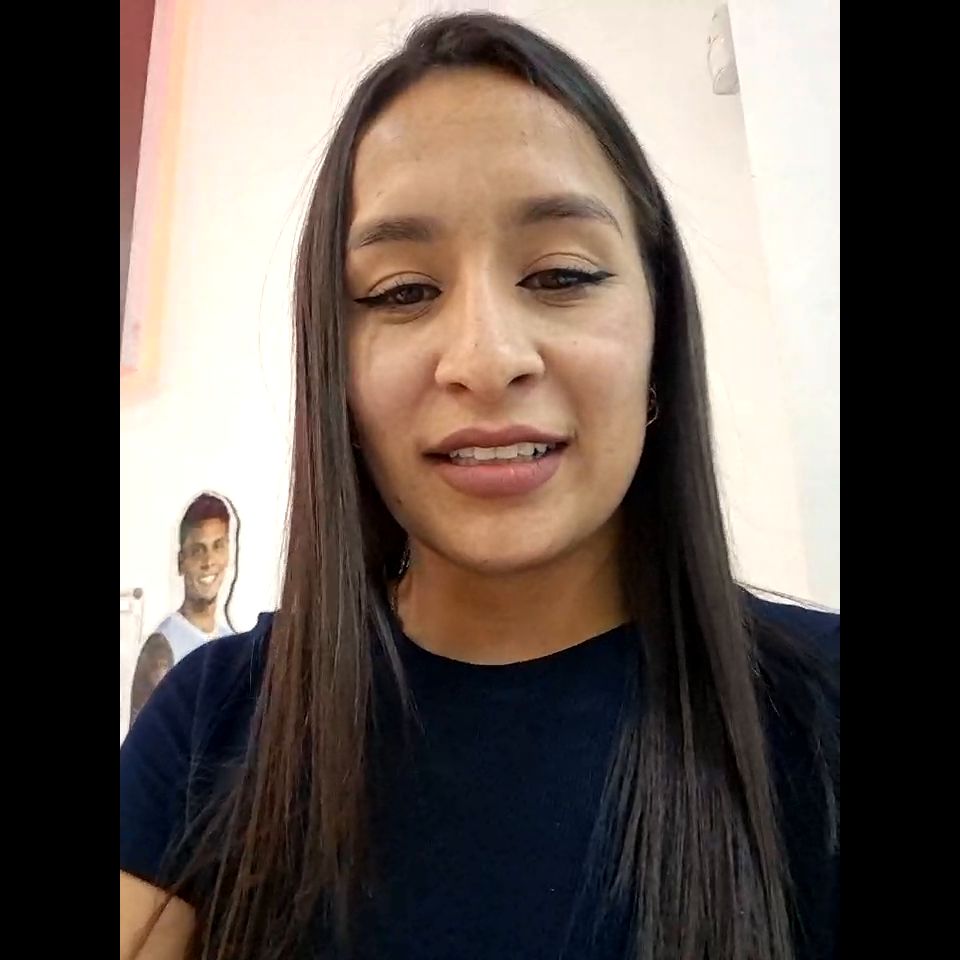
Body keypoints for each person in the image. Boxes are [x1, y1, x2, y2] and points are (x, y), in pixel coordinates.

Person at [120, 13, 839, 960]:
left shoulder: (819, 710)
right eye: (403, 292)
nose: (487, 358)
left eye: (561, 275)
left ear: (659, 331)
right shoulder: (212, 725)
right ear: (336, 370)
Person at [128, 493, 234, 725]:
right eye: (198, 550)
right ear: (181, 562)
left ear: (228, 554)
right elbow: (144, 742)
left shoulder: (232, 642)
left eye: (218, 546)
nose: (209, 562)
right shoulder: (162, 648)